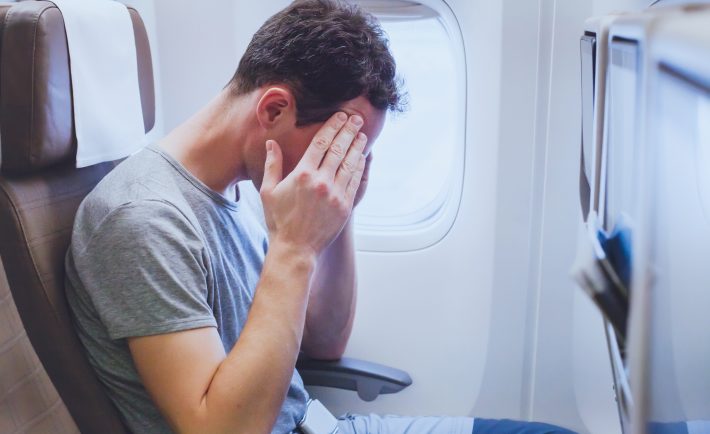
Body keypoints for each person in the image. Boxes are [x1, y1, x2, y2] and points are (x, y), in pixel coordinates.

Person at [65, 1, 577, 433]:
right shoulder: (144, 219)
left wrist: (338, 216)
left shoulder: (245, 185)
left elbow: (325, 342)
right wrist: (293, 247)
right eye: (336, 149)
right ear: (273, 110)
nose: (339, 167)